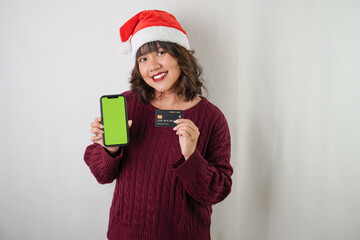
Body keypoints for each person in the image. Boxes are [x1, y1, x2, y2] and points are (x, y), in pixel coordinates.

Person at [84, 9, 233, 240]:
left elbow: (217, 191)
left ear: (180, 55)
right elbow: (102, 175)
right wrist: (109, 149)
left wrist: (191, 157)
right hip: (125, 234)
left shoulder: (212, 118)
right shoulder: (126, 104)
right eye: (143, 58)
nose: (152, 66)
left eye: (160, 53)